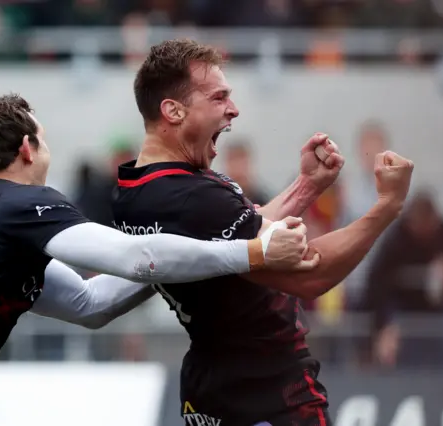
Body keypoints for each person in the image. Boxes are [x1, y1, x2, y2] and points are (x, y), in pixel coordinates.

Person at [0, 94, 317, 426]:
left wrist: (229, 237)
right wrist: (251, 252)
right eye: (43, 138)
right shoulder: (16, 205)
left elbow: (91, 303)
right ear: (27, 148)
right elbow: (137, 258)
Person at [111, 39, 414, 426]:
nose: (233, 109)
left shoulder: (135, 191)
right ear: (173, 110)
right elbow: (310, 275)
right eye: (219, 97)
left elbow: (231, 240)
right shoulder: (192, 196)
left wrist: (305, 187)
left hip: (210, 381)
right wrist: (388, 206)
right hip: (268, 388)